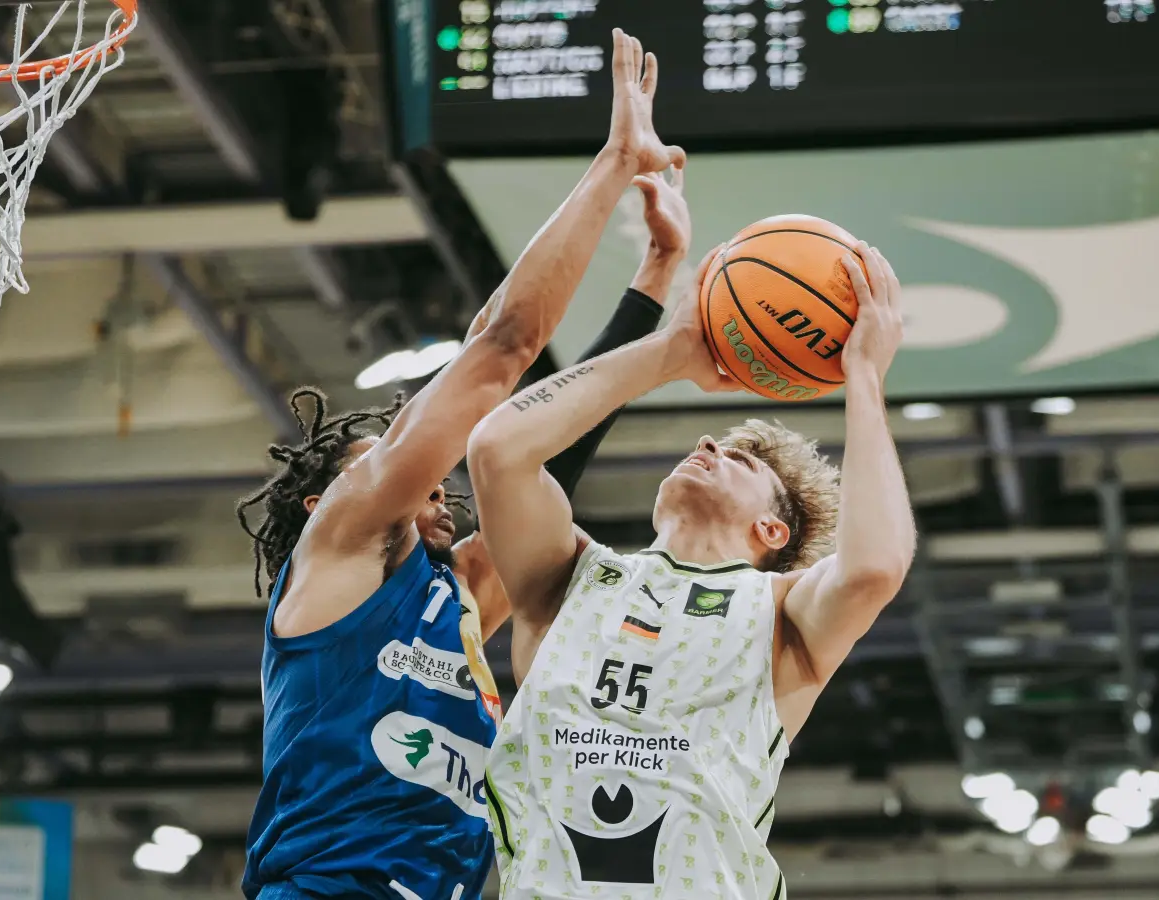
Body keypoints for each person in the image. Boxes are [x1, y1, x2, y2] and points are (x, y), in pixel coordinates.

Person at [232, 30, 686, 900]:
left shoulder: (460, 602)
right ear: (333, 495)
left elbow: (542, 461)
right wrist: (613, 165)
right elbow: (503, 349)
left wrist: (657, 278)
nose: (434, 478)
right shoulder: (345, 538)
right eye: (405, 464)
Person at [466, 243, 917, 897]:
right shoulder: (573, 576)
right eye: (711, 441)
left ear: (772, 530)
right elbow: (496, 450)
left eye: (740, 459)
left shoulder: (783, 608)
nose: (707, 444)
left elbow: (875, 568)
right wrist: (669, 353)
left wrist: (865, 380)